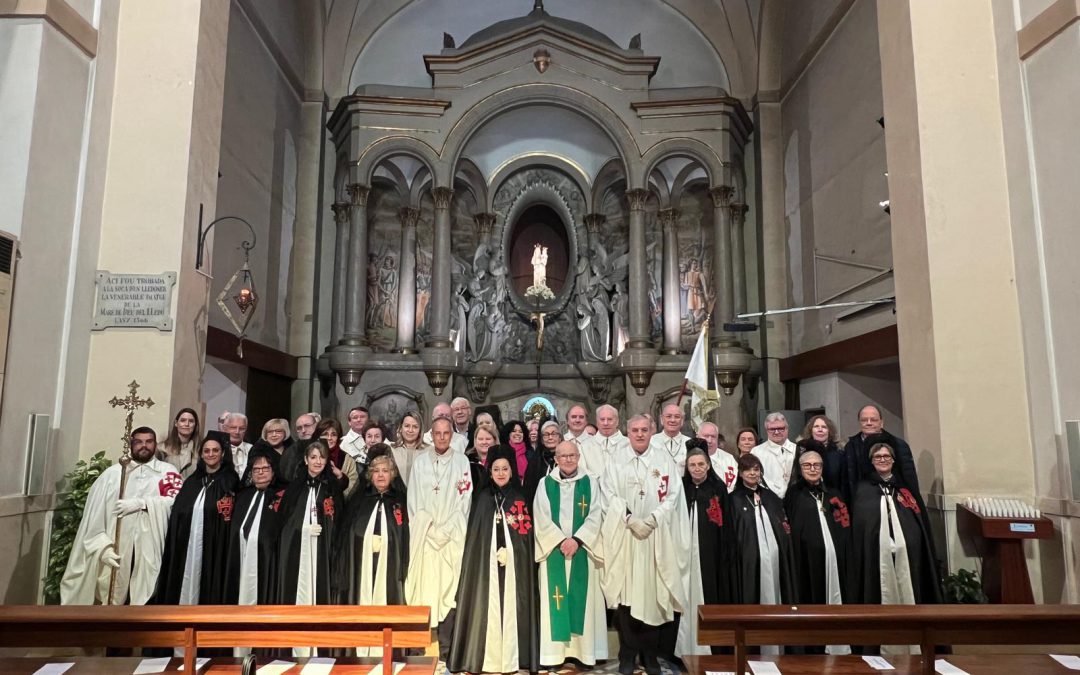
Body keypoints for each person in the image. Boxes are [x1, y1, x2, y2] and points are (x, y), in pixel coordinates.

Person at [600, 415, 689, 675]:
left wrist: (652, 519)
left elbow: (673, 495)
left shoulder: (664, 460)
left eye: (644, 430)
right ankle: (627, 655)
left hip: (655, 537)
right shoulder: (616, 459)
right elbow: (608, 493)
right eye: (634, 430)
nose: (639, 434)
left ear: (652, 431)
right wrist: (628, 518)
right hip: (626, 537)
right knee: (627, 597)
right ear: (626, 431)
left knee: (653, 595)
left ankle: (650, 655)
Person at [61, 427, 182, 606]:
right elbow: (95, 517)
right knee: (114, 596)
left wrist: (143, 503)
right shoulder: (112, 475)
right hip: (117, 547)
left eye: (149, 442)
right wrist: (103, 547)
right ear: (130, 444)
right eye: (139, 442)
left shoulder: (167, 472)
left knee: (148, 595)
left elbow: (176, 502)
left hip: (152, 547)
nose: (144, 446)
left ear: (155, 445)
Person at [449, 446, 540, 675]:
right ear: (490, 472)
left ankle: (512, 658)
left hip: (513, 570)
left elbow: (525, 539)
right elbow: (476, 541)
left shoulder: (519, 499)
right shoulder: (482, 499)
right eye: (496, 469)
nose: (500, 473)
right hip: (485, 570)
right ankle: (486, 658)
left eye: (505, 469)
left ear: (512, 471)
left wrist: (512, 552)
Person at [533, 441, 607, 669]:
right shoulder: (545, 483)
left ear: (578, 456)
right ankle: (554, 656)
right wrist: (560, 541)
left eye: (571, 455)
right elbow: (541, 517)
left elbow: (596, 514)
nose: (567, 459)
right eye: (562, 456)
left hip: (582, 551)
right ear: (555, 459)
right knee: (555, 601)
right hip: (554, 552)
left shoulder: (591, 483)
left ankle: (584, 654)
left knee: (581, 601)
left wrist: (577, 540)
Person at [406, 416, 473, 666]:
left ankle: (446, 651)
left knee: (448, 590)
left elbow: (464, 500)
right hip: (424, 539)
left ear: (452, 435)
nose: (442, 437)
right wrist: (430, 529)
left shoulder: (462, 461)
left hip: (451, 540)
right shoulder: (420, 462)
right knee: (421, 589)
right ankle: (415, 649)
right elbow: (413, 500)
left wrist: (446, 531)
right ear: (431, 435)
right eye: (438, 433)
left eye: (446, 433)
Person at [850, 443, 942, 612]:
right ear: (871, 461)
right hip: (876, 554)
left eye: (886, 456)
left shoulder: (904, 489)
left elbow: (915, 525)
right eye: (878, 457)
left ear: (893, 460)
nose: (882, 460)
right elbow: (862, 526)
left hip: (906, 553)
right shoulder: (863, 490)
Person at [152, 431, 240, 606]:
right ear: (201, 454)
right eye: (206, 451)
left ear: (223, 453)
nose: (211, 454)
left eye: (215, 450)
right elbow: (179, 511)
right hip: (187, 543)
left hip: (215, 544)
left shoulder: (230, 481)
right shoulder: (193, 481)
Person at [334, 454, 409, 656]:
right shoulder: (359, 502)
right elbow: (349, 536)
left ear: (393, 474)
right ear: (370, 475)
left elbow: (405, 537)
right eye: (376, 471)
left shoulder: (400, 501)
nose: (381, 475)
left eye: (385, 471)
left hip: (390, 569)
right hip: (361, 568)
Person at [784, 447, 851, 655]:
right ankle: (815, 645)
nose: (812, 469)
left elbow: (845, 526)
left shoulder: (834, 493)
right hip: (807, 561)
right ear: (800, 468)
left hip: (836, 560)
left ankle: (840, 642)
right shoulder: (794, 495)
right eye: (807, 465)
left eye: (817, 465)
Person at [728, 454, 796, 654]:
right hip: (749, 562)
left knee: (776, 594)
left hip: (775, 560)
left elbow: (782, 526)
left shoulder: (770, 497)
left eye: (756, 469)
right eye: (748, 469)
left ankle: (778, 644)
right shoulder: (733, 499)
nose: (752, 473)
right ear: (740, 473)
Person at [676, 443, 735, 659]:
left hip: (710, 554)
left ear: (708, 465)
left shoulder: (718, 489)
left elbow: (725, 525)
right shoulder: (682, 487)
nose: (697, 468)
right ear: (687, 467)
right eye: (692, 465)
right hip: (684, 553)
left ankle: (712, 647)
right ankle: (683, 648)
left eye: (701, 464)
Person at [277, 441, 344, 618]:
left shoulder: (332, 486)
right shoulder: (294, 487)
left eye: (322, 457)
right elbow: (285, 523)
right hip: (297, 549)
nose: (318, 461)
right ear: (306, 460)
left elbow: (339, 519)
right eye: (313, 457)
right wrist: (303, 529)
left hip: (324, 548)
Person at [226, 446, 285, 607]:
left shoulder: (282, 495)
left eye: (265, 468)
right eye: (256, 469)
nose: (260, 472)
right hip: (241, 555)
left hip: (268, 560)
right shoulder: (243, 496)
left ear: (273, 471)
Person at [844, 405, 920, 512]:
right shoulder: (850, 446)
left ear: (881, 422)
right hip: (862, 505)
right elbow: (848, 480)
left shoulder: (898, 445)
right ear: (859, 422)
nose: (869, 423)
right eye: (864, 420)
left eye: (874, 420)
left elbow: (909, 479)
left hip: (894, 503)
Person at [797, 414, 848, 504]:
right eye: (816, 426)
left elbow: (843, 482)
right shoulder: (801, 450)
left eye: (824, 427)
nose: (820, 429)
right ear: (810, 430)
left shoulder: (839, 453)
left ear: (829, 431)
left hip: (834, 499)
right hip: (807, 499)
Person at [751, 413, 797, 498]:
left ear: (787, 429)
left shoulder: (797, 450)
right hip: (768, 499)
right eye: (772, 429)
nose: (776, 432)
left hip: (795, 498)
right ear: (766, 430)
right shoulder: (756, 452)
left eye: (780, 428)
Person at [314, 418, 360, 500]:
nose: (329, 438)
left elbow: (352, 487)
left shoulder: (347, 459)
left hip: (340, 505)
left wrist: (341, 477)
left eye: (333, 434)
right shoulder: (310, 457)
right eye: (325, 434)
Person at [580, 404, 629, 477]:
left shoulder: (628, 444)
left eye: (610, 419)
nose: (606, 423)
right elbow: (582, 470)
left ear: (617, 421)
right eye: (602, 419)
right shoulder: (584, 446)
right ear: (597, 422)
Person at [390, 410, 431, 484]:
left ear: (420, 430)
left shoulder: (429, 451)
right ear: (401, 428)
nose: (410, 430)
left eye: (415, 427)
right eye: (407, 426)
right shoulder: (391, 450)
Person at [524, 420, 561, 501]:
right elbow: (529, 489)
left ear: (560, 438)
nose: (550, 437)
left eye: (554, 434)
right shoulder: (535, 460)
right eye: (546, 435)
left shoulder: (567, 456)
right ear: (542, 440)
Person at [159, 408, 200, 479]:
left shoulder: (200, 450)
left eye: (191, 421)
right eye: (183, 420)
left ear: (195, 425)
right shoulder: (162, 448)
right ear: (176, 423)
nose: (187, 424)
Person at [698, 421, 738, 492]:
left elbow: (734, 485)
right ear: (698, 437)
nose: (709, 440)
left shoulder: (729, 459)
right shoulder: (689, 458)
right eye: (706, 436)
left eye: (713, 437)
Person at [650, 404, 691, 471]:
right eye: (668, 416)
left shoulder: (690, 443)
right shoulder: (651, 441)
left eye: (677, 417)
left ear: (682, 420)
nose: (672, 420)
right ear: (661, 419)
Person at [465, 425, 498, 494]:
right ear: (475, 441)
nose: (484, 442)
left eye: (488, 439)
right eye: (480, 439)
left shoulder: (502, 460)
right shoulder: (466, 461)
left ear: (495, 440)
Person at [223, 413, 252, 478]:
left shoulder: (252, 449)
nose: (237, 432)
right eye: (233, 428)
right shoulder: (218, 449)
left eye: (242, 428)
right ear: (225, 429)